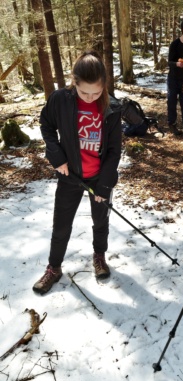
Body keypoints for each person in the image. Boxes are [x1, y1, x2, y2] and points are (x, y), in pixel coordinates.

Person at [33, 50, 122, 295]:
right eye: (85, 92)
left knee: (100, 220)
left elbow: (114, 150)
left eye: (97, 92)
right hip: (70, 176)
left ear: (104, 85)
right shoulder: (60, 99)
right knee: (61, 225)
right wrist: (57, 157)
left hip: (99, 177)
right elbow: (47, 126)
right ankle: (54, 267)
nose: (91, 98)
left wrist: (104, 185)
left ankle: (99, 256)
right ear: (74, 83)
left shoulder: (112, 107)